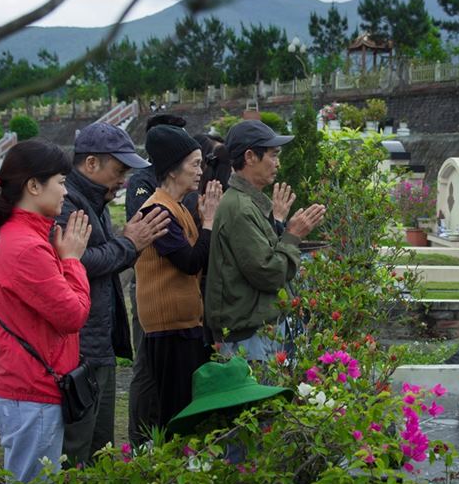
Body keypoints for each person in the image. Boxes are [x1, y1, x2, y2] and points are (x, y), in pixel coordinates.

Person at [0, 140, 91, 484]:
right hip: (31, 391)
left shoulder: (25, 238)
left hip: (27, 386)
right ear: (34, 186)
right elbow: (73, 315)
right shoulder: (26, 247)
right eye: (60, 180)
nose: (65, 190)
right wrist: (72, 260)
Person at [58, 122, 170, 465]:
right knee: (77, 454)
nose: (123, 181)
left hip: (99, 346)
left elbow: (102, 257)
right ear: (91, 163)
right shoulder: (67, 204)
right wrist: (128, 243)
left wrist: (127, 243)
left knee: (101, 450)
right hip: (80, 352)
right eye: (118, 170)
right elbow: (78, 260)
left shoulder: (96, 201)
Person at [205, 120, 326, 361]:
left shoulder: (247, 203)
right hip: (248, 338)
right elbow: (268, 272)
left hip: (257, 331)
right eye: (273, 155)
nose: (278, 163)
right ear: (250, 157)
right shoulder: (239, 208)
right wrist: (292, 235)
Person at [135, 124, 222, 428]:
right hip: (169, 331)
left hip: (185, 326)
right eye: (195, 164)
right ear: (173, 170)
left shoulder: (178, 207)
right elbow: (189, 261)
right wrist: (209, 221)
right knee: (177, 417)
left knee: (191, 410)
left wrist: (201, 219)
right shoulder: (156, 210)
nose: (201, 171)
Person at [126, 114, 186, 444]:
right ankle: (139, 437)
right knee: (147, 365)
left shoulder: (176, 181)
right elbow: (157, 227)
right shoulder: (144, 182)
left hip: (179, 288)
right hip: (152, 284)